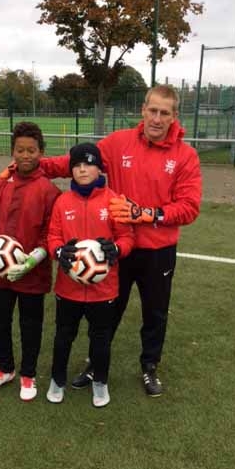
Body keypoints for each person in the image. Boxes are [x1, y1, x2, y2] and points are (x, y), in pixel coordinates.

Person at [40, 85, 202, 397]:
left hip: (158, 251)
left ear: (174, 116)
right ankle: (94, 365)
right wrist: (34, 166)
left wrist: (146, 214)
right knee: (108, 311)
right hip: (115, 249)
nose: (157, 119)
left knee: (155, 312)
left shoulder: (186, 156)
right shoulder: (118, 143)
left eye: (164, 113)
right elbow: (74, 161)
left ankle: (149, 366)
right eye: (152, 111)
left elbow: (189, 207)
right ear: (143, 110)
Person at [0, 122, 61, 401]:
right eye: (20, 150)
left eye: (31, 150)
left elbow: (51, 234)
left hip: (32, 274)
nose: (25, 155)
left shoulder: (49, 190)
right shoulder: (2, 183)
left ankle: (28, 374)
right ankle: (5, 369)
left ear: (41, 152)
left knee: (30, 324)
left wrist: (31, 261)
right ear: (12, 151)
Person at [46, 142, 134, 408]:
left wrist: (116, 249)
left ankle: (100, 382)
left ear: (99, 168)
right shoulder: (62, 202)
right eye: (76, 165)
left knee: (101, 339)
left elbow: (127, 237)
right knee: (63, 336)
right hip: (68, 288)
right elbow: (53, 236)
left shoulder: (114, 201)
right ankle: (57, 380)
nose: (82, 169)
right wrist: (58, 251)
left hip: (104, 289)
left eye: (88, 164)